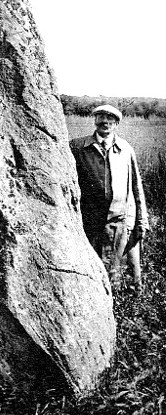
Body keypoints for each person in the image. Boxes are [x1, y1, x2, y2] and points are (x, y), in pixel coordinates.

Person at [70, 104, 149, 291]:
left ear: (116, 123)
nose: (105, 122)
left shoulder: (126, 149)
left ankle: (117, 306)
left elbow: (136, 187)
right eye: (100, 117)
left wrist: (142, 219)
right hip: (89, 220)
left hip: (119, 220)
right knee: (90, 267)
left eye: (110, 119)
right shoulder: (78, 147)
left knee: (114, 267)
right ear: (95, 120)